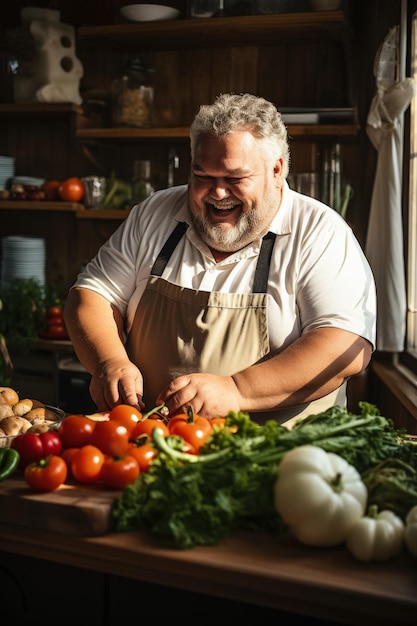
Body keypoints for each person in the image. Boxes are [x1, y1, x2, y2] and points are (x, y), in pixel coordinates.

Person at [64, 92, 376, 427]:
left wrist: (238, 390)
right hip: (155, 446)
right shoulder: (155, 213)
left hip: (282, 458)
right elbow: (92, 294)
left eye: (234, 179)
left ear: (276, 170)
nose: (218, 194)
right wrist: (108, 361)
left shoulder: (319, 232)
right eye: (203, 177)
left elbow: (343, 344)